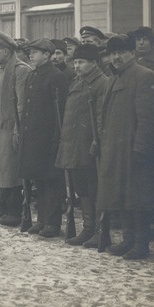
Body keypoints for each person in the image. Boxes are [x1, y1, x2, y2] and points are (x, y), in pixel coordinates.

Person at [97, 35, 154, 260]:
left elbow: (147, 118)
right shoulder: (113, 78)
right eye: (112, 53)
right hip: (114, 148)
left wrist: (140, 148)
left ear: (132, 53)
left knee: (136, 197)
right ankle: (128, 239)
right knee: (120, 194)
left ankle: (141, 243)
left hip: (133, 149)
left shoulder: (143, 75)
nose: (115, 57)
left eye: (120, 52)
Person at [55, 43, 108, 247]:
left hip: (89, 145)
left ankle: (98, 231)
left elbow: (101, 117)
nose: (77, 66)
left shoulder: (100, 83)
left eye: (82, 62)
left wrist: (98, 142)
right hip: (73, 145)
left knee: (94, 187)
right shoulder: (77, 83)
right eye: (75, 62)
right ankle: (87, 228)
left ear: (94, 63)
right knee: (82, 188)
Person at [18, 38, 68, 237]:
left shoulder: (56, 76)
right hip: (33, 136)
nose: (31, 55)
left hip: (48, 137)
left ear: (47, 55)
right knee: (39, 180)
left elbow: (59, 110)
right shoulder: (32, 75)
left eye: (35, 52)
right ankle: (41, 220)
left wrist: (57, 138)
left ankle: (53, 223)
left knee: (52, 182)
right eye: (30, 52)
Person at [0, 32, 31, 226]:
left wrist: (17, 129)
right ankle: (4, 206)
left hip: (11, 127)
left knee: (11, 170)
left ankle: (15, 211)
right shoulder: (0, 70)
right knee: (0, 168)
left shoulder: (20, 70)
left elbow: (22, 104)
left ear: (5, 51)